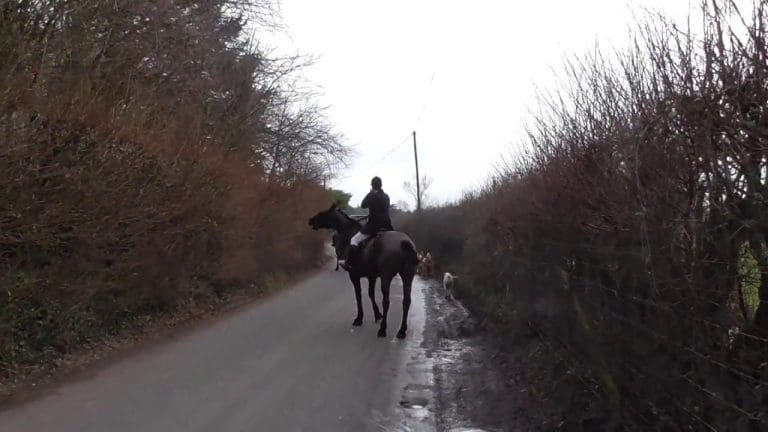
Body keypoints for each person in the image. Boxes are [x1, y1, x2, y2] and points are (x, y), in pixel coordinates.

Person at [342, 176, 393, 271]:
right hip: (387, 225)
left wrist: (370, 193)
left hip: (373, 226)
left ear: (372, 186)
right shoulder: (386, 196)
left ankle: (349, 263)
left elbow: (363, 205)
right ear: (381, 185)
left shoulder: (371, 195)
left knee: (354, 240)